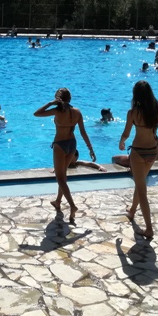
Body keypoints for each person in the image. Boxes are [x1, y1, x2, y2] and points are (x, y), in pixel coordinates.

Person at [118, 80, 158, 240]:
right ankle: (132, 210)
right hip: (152, 152)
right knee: (140, 183)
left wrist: (121, 141)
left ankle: (149, 229)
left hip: (138, 152)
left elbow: (126, 132)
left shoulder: (133, 113)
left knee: (142, 189)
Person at [34, 88, 95, 221]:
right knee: (64, 175)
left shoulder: (57, 111)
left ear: (58, 99)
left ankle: (72, 206)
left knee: (60, 178)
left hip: (60, 145)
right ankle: (58, 201)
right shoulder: (77, 112)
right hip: (72, 144)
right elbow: (83, 132)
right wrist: (90, 149)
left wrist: (50, 103)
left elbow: (37, 114)